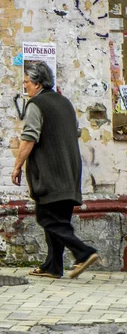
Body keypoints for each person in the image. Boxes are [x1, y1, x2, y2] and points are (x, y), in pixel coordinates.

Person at [12, 62, 98, 279]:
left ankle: (84, 253)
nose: (26, 88)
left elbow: (29, 138)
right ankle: (53, 266)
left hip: (51, 172)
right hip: (70, 170)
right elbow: (75, 132)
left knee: (47, 218)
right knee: (59, 220)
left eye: (27, 83)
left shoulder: (36, 104)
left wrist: (17, 166)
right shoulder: (65, 103)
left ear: (37, 83)